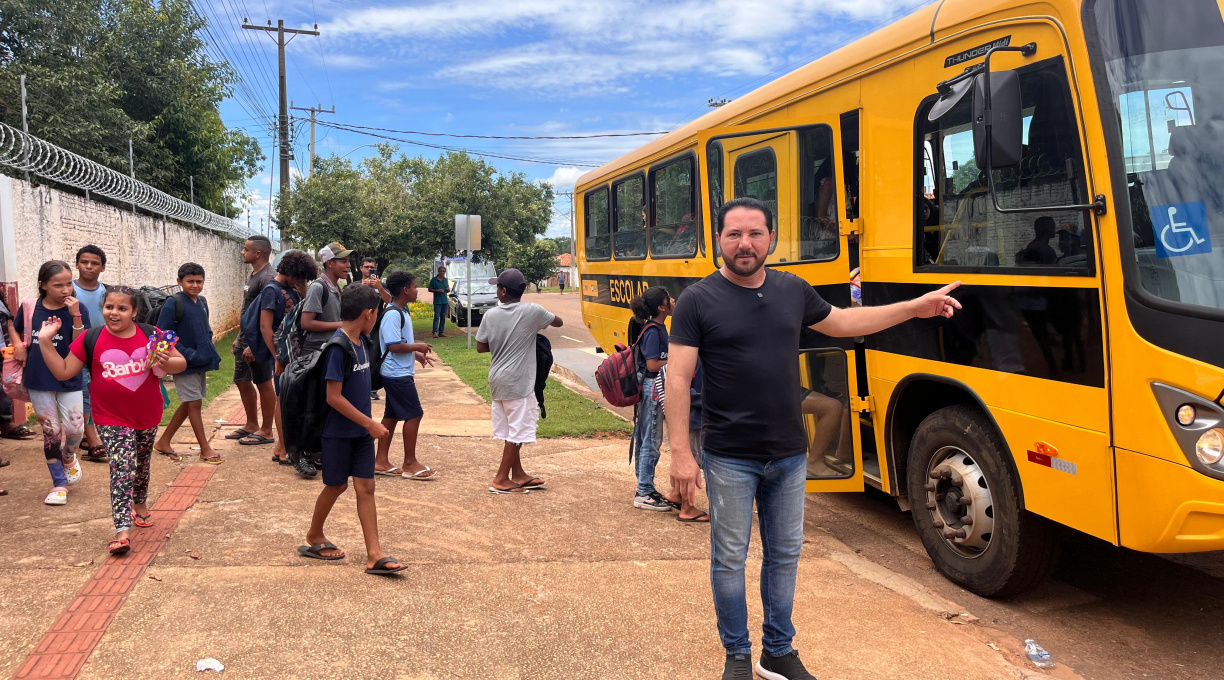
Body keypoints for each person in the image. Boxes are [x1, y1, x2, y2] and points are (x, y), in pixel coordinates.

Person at [664, 197, 962, 680]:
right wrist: (680, 453)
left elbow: (844, 322)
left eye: (755, 234)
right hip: (728, 455)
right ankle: (737, 655)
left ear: (771, 239)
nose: (745, 244)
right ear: (718, 240)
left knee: (783, 555)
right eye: (734, 234)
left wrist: (916, 308)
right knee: (729, 558)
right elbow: (678, 379)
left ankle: (777, 650)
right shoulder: (698, 300)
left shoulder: (791, 290)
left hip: (787, 453)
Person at [37, 285, 187, 555]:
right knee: (122, 467)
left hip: (147, 414)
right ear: (102, 308)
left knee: (141, 464)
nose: (114, 313)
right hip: (109, 417)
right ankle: (122, 530)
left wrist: (167, 360)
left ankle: (139, 503)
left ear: (134, 312)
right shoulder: (90, 338)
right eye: (109, 307)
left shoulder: (151, 334)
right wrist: (46, 342)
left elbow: (180, 363)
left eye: (122, 308)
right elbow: (62, 371)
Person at [297, 283, 407, 575]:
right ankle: (314, 535)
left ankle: (375, 553)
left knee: (366, 487)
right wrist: (370, 423)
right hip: (338, 433)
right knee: (336, 485)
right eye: (376, 313)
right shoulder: (338, 347)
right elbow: (333, 397)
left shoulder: (363, 342)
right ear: (368, 314)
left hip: (360, 434)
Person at [9, 261, 90, 506]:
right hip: (38, 378)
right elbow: (14, 327)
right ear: (43, 285)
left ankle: (68, 456)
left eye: (68, 284)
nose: (66, 290)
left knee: (76, 430)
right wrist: (19, 349)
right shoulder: (30, 306)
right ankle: (59, 484)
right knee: (51, 432)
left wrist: (76, 315)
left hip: (70, 377)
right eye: (58, 285)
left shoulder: (78, 308)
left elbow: (80, 344)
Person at [475, 268, 562, 494]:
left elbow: (481, 346)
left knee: (508, 430)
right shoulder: (532, 311)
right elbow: (558, 322)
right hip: (519, 381)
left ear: (503, 292)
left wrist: (503, 340)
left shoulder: (490, 315)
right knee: (518, 431)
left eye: (497, 287)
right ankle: (500, 479)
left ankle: (519, 474)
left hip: (497, 379)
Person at [153, 263, 224, 464]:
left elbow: (205, 329)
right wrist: (187, 355)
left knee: (191, 401)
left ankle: (164, 441)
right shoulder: (173, 303)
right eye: (190, 281)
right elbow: (163, 336)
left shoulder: (201, 301)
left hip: (200, 361)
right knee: (194, 403)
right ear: (179, 282)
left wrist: (205, 350)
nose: (195, 285)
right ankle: (205, 448)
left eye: (199, 281)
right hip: (184, 363)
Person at [375, 271, 437, 478]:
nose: (417, 290)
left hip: (398, 371)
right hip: (396, 374)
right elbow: (393, 346)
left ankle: (380, 461)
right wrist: (416, 345)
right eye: (414, 286)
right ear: (405, 290)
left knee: (391, 415)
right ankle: (410, 463)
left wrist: (416, 354)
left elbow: (399, 342)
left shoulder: (401, 311)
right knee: (414, 414)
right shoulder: (393, 314)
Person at [259, 250, 319, 465]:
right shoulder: (271, 290)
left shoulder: (292, 289)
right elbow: (265, 327)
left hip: (293, 353)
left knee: (291, 399)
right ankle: (284, 448)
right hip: (281, 355)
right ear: (292, 273)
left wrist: (303, 293)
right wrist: (277, 357)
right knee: (282, 400)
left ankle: (279, 447)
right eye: (301, 276)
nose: (303, 281)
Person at [628, 287, 676, 512]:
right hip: (652, 388)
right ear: (661, 307)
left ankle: (644, 485)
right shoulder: (653, 331)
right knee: (651, 441)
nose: (673, 300)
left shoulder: (657, 328)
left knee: (644, 437)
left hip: (650, 387)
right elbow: (652, 365)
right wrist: (678, 362)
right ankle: (644, 493)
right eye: (669, 298)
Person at [228, 236, 276, 446]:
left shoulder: (268, 278)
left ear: (258, 253)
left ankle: (266, 430)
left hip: (257, 341)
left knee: (264, 382)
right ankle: (251, 424)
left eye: (246, 249)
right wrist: (240, 336)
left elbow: (267, 317)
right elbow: (249, 310)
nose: (242, 252)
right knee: (241, 380)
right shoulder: (254, 275)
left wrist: (254, 345)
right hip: (246, 338)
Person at [73, 245, 109, 463]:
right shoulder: (71, 291)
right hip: (77, 349)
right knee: (85, 394)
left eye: (95, 263)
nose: (89, 266)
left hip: (102, 348)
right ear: (77, 264)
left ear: (102, 267)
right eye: (84, 262)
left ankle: (90, 434)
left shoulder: (106, 291)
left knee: (98, 394)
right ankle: (92, 440)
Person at [300, 242, 351, 353]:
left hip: (330, 347)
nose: (349, 265)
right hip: (316, 352)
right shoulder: (318, 287)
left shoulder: (337, 287)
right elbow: (306, 323)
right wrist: (342, 325)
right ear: (330, 263)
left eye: (348, 261)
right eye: (343, 261)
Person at [427, 266, 450, 338]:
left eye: (444, 271)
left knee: (443, 317)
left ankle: (441, 332)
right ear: (438, 271)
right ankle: (435, 332)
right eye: (441, 271)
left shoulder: (445, 280)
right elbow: (429, 289)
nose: (442, 273)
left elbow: (447, 289)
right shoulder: (434, 280)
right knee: (437, 317)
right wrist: (437, 290)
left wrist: (448, 289)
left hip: (444, 301)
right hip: (437, 301)